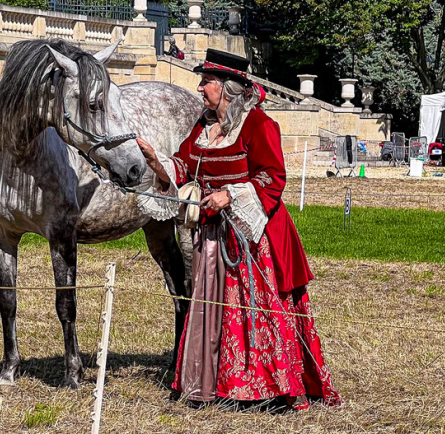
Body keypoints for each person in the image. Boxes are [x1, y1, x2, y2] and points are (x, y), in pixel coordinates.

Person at [136, 49, 341, 409]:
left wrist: (229, 196)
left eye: (207, 81)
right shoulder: (203, 127)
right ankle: (210, 385)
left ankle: (266, 389)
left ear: (228, 88)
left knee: (254, 309)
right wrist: (157, 162)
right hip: (213, 237)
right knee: (212, 307)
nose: (200, 88)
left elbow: (273, 178)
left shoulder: (258, 125)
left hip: (254, 236)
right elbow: (184, 166)